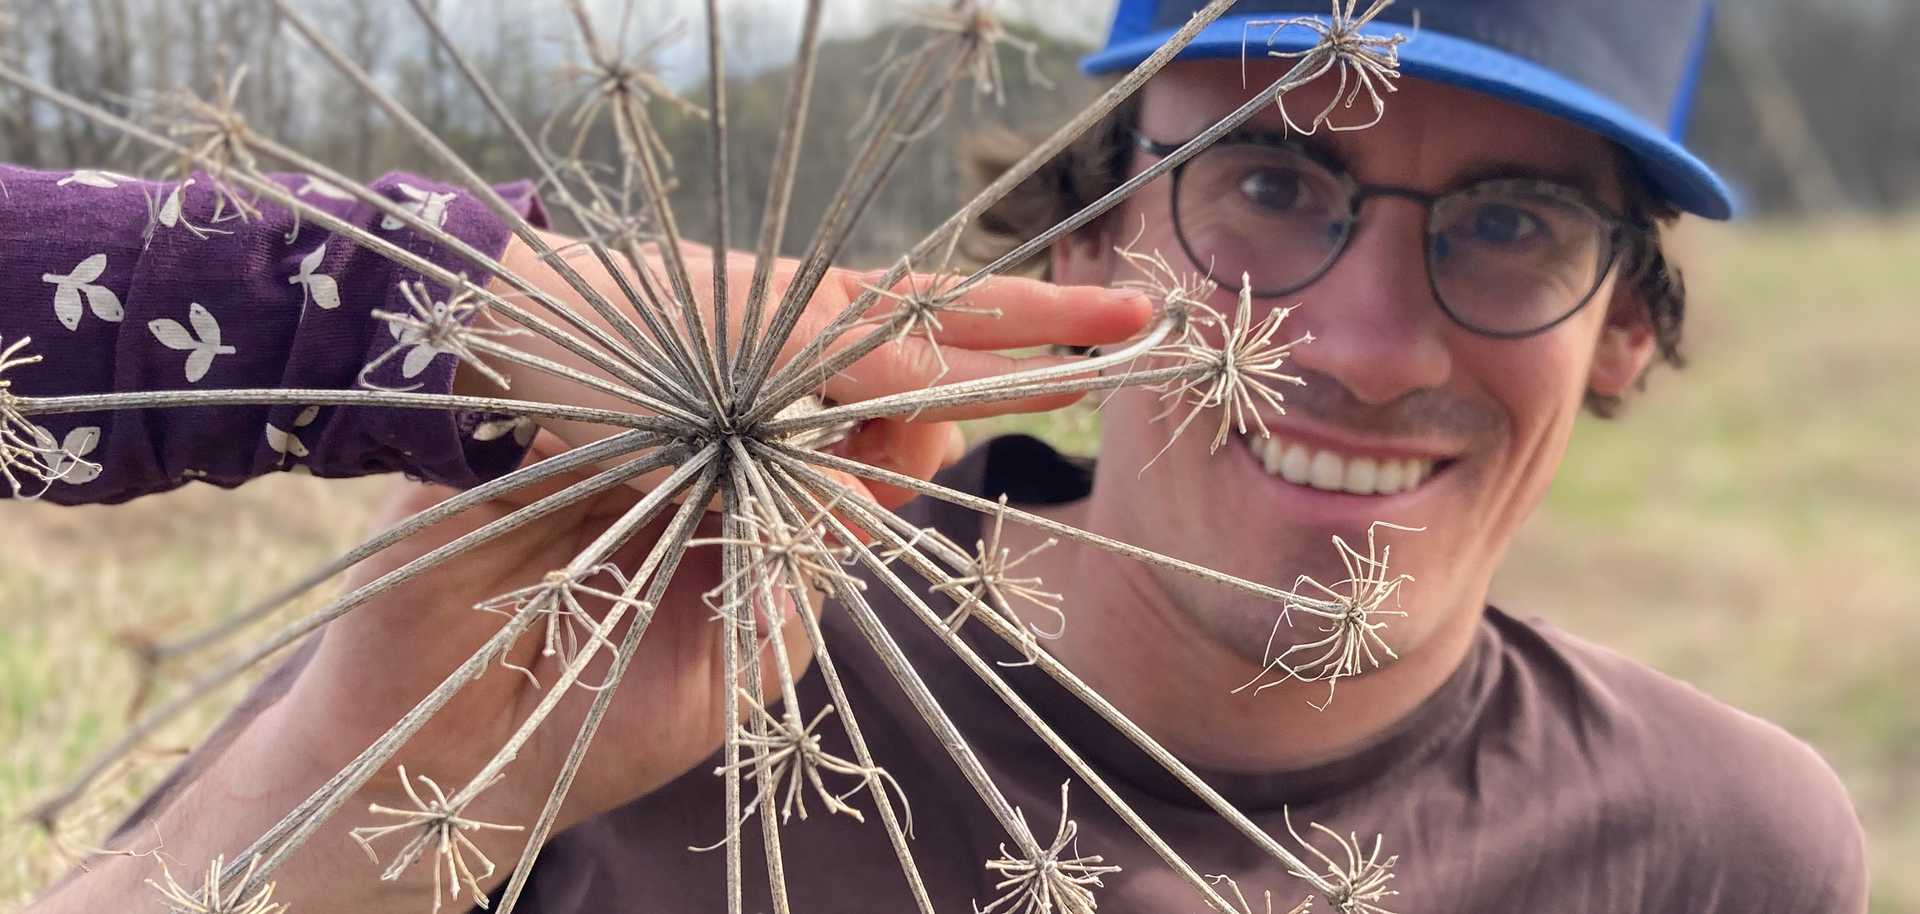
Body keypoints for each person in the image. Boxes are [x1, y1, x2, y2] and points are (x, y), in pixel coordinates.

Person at [15, 1, 1867, 912]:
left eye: (1513, 222)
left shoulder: (1717, 851)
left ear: (1626, 324)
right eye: (1271, 183)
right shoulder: (620, 643)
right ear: (1085, 242)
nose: (1364, 346)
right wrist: (353, 777)